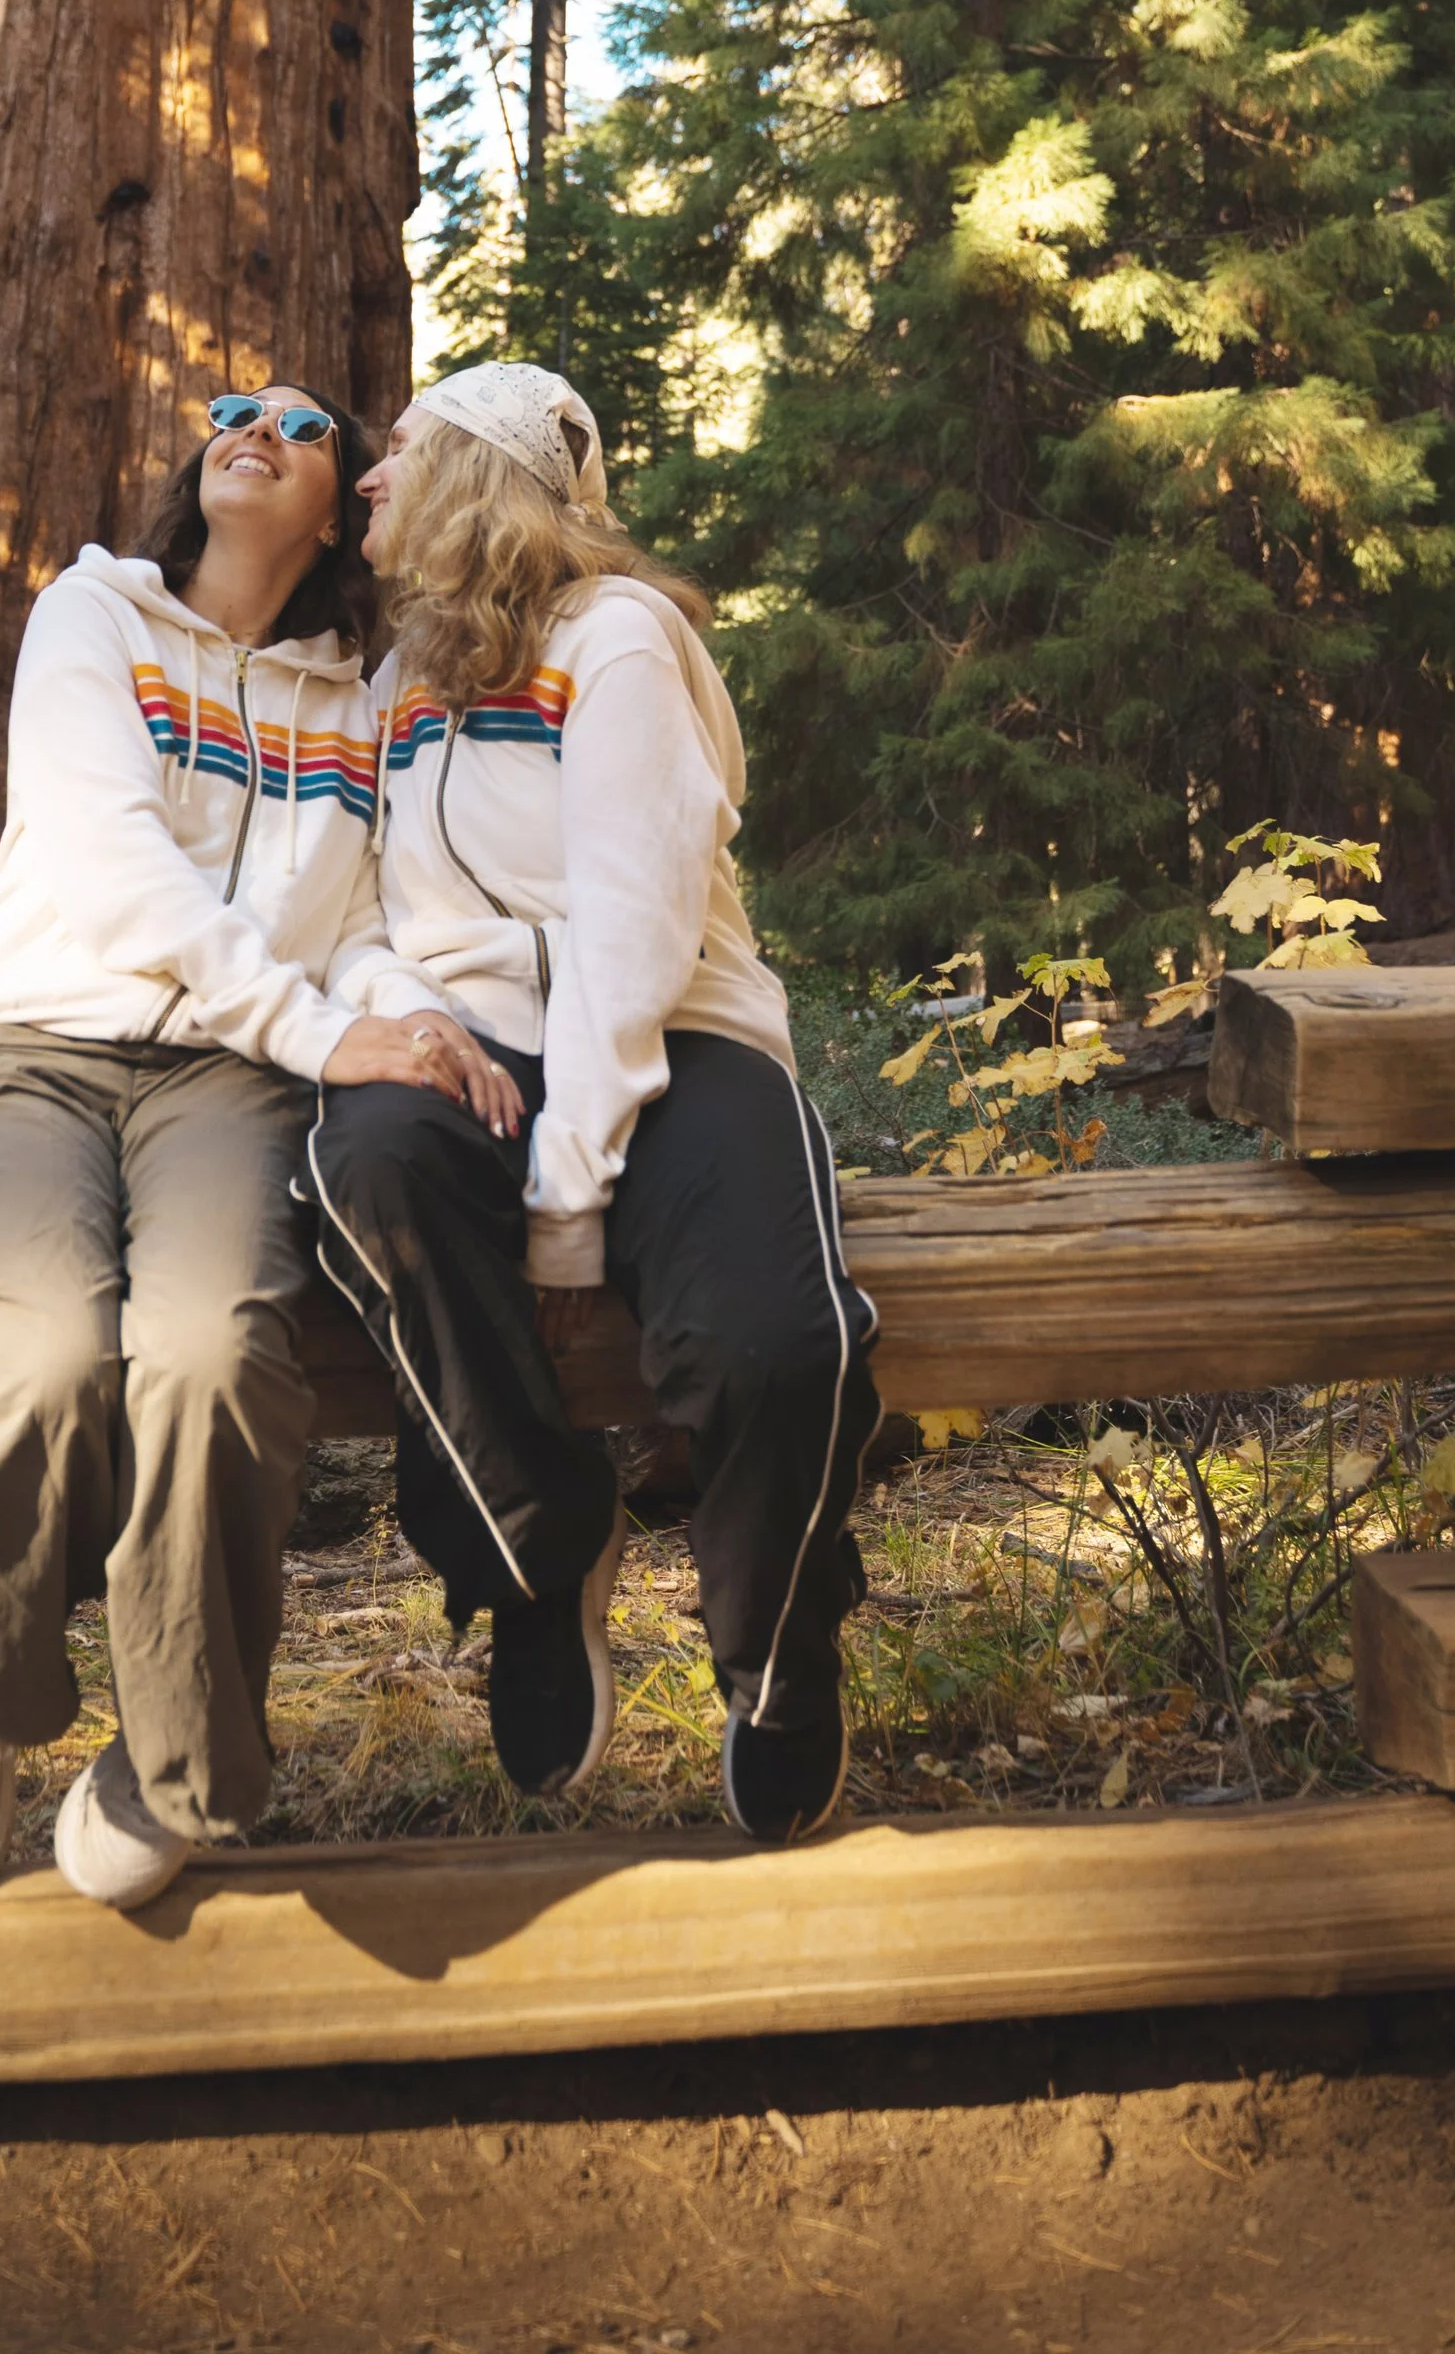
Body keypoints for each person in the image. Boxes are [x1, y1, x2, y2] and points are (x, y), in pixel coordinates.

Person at [0, 383, 495, 1915]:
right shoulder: (94, 618)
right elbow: (106, 864)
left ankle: (173, 1757)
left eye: (300, 426)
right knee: (39, 1353)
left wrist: (413, 1024)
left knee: (215, 1351)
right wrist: (318, 1029)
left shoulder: (362, 697)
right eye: (232, 411)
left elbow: (361, 930)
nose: (254, 427)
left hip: (226, 1085)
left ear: (343, 495)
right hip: (25, 1049)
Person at [309, 360, 879, 1842]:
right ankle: (538, 1559)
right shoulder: (395, 679)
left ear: (479, 473)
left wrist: (570, 1200)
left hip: (674, 1034)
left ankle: (776, 1638)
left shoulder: (619, 639)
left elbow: (637, 930)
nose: (366, 479)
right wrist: (410, 1014)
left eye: (400, 450)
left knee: (771, 1334)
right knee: (368, 1173)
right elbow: (352, 908)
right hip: (474, 1037)